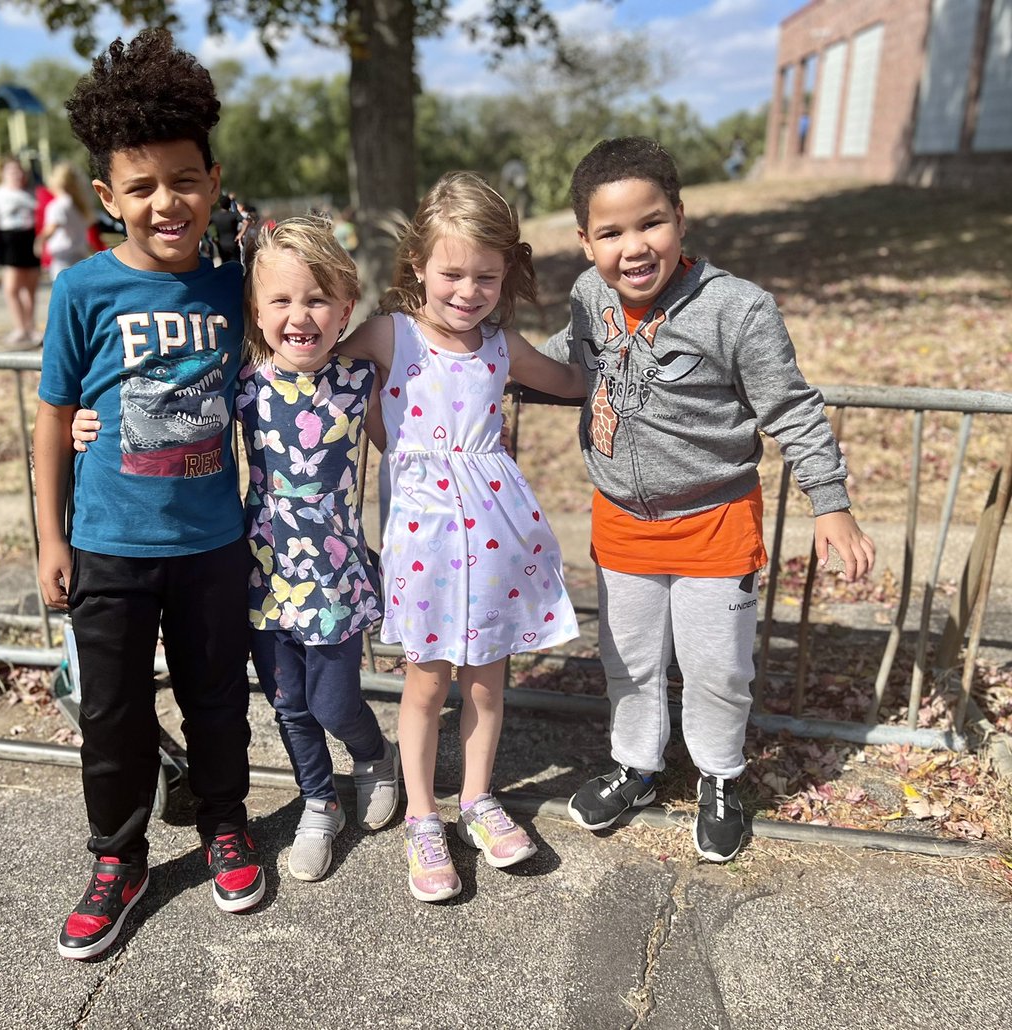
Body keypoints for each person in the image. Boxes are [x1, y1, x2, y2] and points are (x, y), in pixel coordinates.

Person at [542, 137, 875, 863]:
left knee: (717, 667)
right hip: (623, 522)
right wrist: (491, 364)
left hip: (714, 521)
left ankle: (721, 776)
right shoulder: (587, 298)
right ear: (585, 241)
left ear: (682, 219)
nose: (634, 246)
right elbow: (570, 359)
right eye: (611, 232)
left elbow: (791, 408)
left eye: (651, 222)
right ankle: (637, 764)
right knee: (627, 660)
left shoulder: (737, 309)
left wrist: (830, 501)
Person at [73, 216, 402, 883]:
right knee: (287, 703)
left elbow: (409, 441)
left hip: (334, 569)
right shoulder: (242, 382)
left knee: (334, 701)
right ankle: (317, 804)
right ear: (256, 310)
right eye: (281, 301)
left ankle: (374, 756)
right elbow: (167, 401)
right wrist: (91, 417)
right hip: (260, 567)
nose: (299, 316)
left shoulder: (360, 381)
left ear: (345, 307)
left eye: (316, 299)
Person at [34, 27, 262, 962]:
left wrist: (268, 242)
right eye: (141, 187)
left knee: (217, 699)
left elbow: (312, 316)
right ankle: (116, 858)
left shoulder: (237, 281)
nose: (164, 202)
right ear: (106, 199)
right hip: (109, 547)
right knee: (112, 714)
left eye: (183, 179)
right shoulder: (82, 290)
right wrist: (50, 539)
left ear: (213, 178)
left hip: (211, 544)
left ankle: (224, 824)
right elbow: (53, 418)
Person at [339, 171, 585, 902]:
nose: (467, 289)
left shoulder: (502, 346)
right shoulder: (391, 334)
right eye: (452, 272)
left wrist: (628, 363)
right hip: (424, 544)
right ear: (417, 264)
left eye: (486, 275)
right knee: (425, 683)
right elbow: (316, 363)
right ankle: (423, 814)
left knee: (487, 681)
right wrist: (385, 437)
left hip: (500, 540)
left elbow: (570, 381)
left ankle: (477, 799)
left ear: (506, 272)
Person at [0, 157, 40, 345]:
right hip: (9, 241)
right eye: (12, 171)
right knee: (11, 287)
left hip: (30, 239)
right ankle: (19, 327)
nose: (17, 175)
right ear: (3, 173)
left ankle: (30, 327)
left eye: (20, 171)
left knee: (30, 287)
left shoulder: (33, 193)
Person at [39, 161, 94, 280]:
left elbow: (51, 228)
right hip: (80, 254)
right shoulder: (78, 205)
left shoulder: (57, 206)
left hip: (63, 257)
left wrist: (39, 240)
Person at [208, 193, 242, 265]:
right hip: (233, 243)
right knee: (235, 264)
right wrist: (240, 234)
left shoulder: (215, 215)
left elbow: (205, 225)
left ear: (220, 205)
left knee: (224, 264)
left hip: (221, 244)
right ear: (229, 204)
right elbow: (246, 221)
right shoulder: (233, 215)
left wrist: (212, 237)